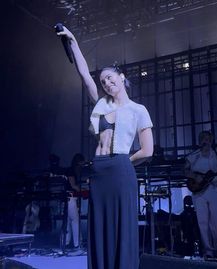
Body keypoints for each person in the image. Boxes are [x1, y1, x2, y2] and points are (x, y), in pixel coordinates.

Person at [56, 26, 153, 269]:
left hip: (121, 167)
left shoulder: (138, 110)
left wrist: (123, 162)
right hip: (98, 171)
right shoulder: (101, 104)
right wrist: (74, 41)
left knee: (122, 226)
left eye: (110, 77)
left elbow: (147, 150)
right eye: (103, 81)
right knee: (99, 226)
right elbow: (84, 75)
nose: (106, 82)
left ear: (121, 77)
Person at [185, 131, 217, 260]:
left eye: (208, 139)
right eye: (203, 139)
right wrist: (195, 176)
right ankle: (208, 250)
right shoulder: (194, 156)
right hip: (199, 192)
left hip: (215, 190)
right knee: (203, 222)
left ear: (211, 141)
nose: (206, 141)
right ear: (199, 141)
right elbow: (185, 170)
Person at [65, 153, 86, 250]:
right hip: (70, 197)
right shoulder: (71, 171)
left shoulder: (73, 171)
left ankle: (68, 242)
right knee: (74, 221)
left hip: (70, 198)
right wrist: (83, 191)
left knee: (69, 221)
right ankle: (77, 244)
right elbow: (73, 185)